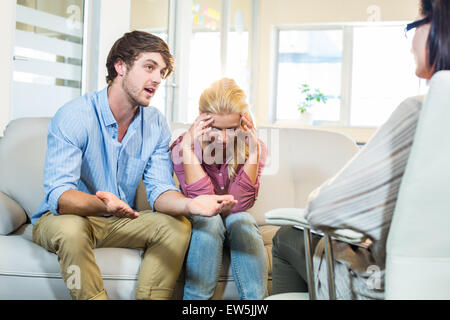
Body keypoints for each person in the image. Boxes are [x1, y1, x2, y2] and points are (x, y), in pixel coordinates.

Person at [31, 31, 237, 300]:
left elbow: (160, 190)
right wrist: (102, 204)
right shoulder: (74, 116)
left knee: (177, 226)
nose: (157, 79)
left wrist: (191, 205)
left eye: (162, 72)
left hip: (118, 219)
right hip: (66, 218)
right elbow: (60, 197)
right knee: (71, 230)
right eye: (149, 67)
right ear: (120, 67)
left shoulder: (155, 123)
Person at [272, 0, 450, 300]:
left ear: (439, 28)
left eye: (415, 25)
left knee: (285, 237)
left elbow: (325, 209)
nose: (410, 45)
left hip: (378, 284)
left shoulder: (418, 113)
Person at [170, 78, 268, 300]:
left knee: (241, 219)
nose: (224, 139)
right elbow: (204, 201)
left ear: (243, 124)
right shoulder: (182, 147)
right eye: (215, 128)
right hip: (202, 223)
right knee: (210, 220)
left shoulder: (255, 147)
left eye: (232, 129)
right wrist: (187, 148)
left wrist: (253, 154)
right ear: (202, 122)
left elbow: (239, 204)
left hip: (235, 222)